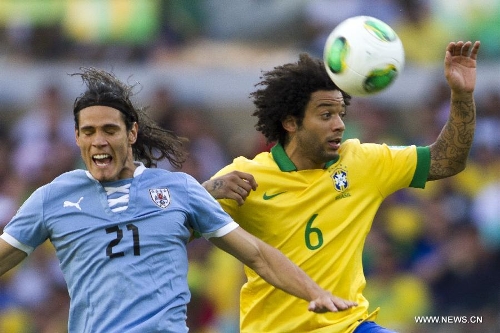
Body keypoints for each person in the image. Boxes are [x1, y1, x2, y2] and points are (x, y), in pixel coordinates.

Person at [0, 68, 357, 333]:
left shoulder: (178, 190)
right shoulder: (53, 198)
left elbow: (258, 255)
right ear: (76, 137)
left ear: (132, 132)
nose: (99, 141)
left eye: (110, 130)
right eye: (88, 132)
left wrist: (315, 292)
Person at [203, 40, 481, 333]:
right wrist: (208, 190)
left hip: (349, 326)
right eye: (326, 115)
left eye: (340, 114)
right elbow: (175, 221)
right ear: (290, 123)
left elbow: (446, 160)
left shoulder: (361, 161)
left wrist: (462, 95)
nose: (339, 125)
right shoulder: (244, 175)